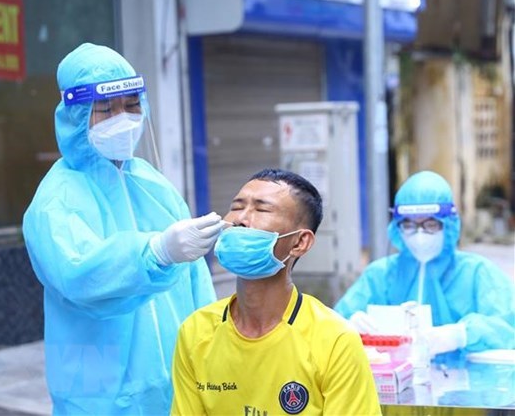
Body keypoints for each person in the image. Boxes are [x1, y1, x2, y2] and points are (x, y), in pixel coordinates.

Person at [22, 43, 222, 415]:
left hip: (174, 384)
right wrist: (155, 252)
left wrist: (213, 349)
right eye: (107, 109)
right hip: (100, 395)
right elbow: (80, 275)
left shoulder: (152, 183)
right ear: (77, 115)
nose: (124, 118)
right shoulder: (57, 200)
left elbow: (196, 282)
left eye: (132, 105)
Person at [171, 168, 382, 416]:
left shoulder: (334, 340)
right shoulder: (196, 332)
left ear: (300, 242)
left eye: (261, 209)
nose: (241, 219)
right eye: (237, 206)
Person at [335, 170, 515, 358]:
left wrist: (461, 335)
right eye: (409, 225)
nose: (420, 235)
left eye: (431, 225)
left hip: (466, 382)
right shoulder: (379, 275)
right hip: (394, 383)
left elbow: (508, 326)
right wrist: (349, 323)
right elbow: (333, 324)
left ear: (449, 225)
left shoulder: (477, 273)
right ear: (397, 227)